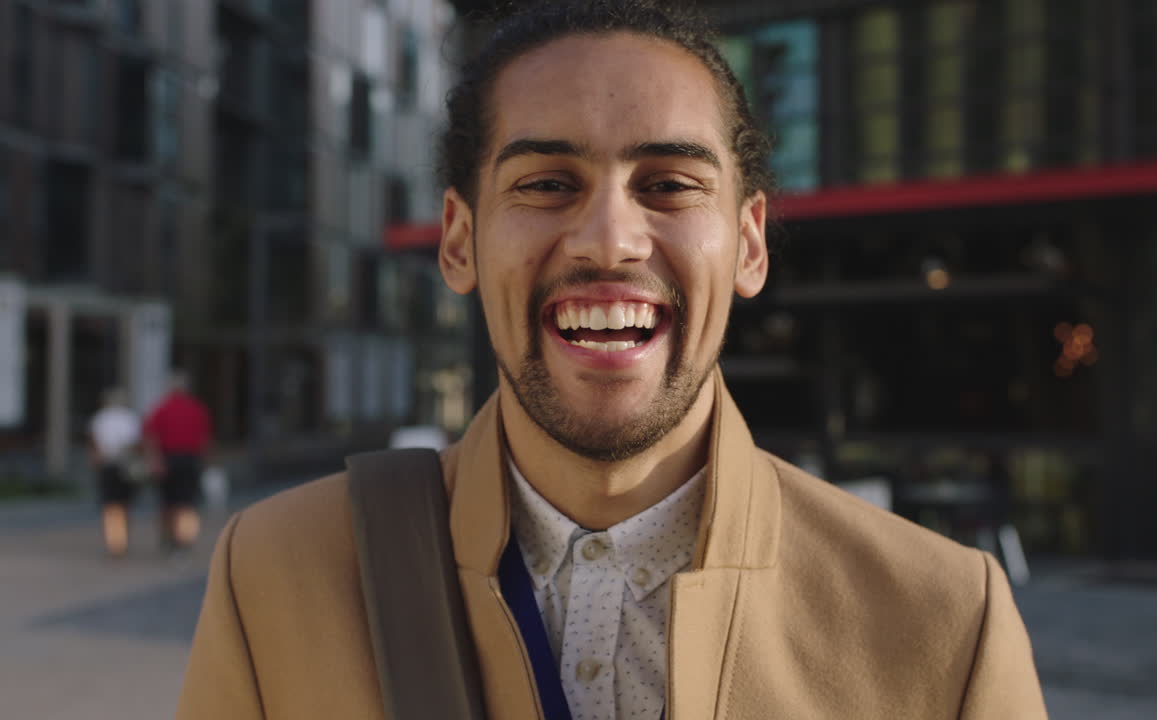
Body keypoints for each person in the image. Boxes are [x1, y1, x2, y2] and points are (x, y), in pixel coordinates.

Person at [177, 2, 1047, 718]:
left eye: (669, 184)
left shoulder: (944, 621)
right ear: (458, 240)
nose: (609, 241)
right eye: (548, 184)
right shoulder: (274, 576)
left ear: (749, 246)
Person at [143, 371, 212, 550]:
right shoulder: (197, 408)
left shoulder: (162, 408)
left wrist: (155, 461)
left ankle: (168, 538)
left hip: (169, 459)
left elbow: (151, 437)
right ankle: (185, 538)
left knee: (168, 502)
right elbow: (205, 439)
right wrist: (204, 462)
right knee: (187, 502)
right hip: (189, 459)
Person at [87, 387, 142, 556]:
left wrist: (96, 460)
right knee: (125, 504)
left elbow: (94, 444)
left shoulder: (100, 418)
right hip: (125, 464)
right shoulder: (130, 418)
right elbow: (136, 443)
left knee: (110, 505)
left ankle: (114, 541)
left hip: (108, 464)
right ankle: (123, 539)